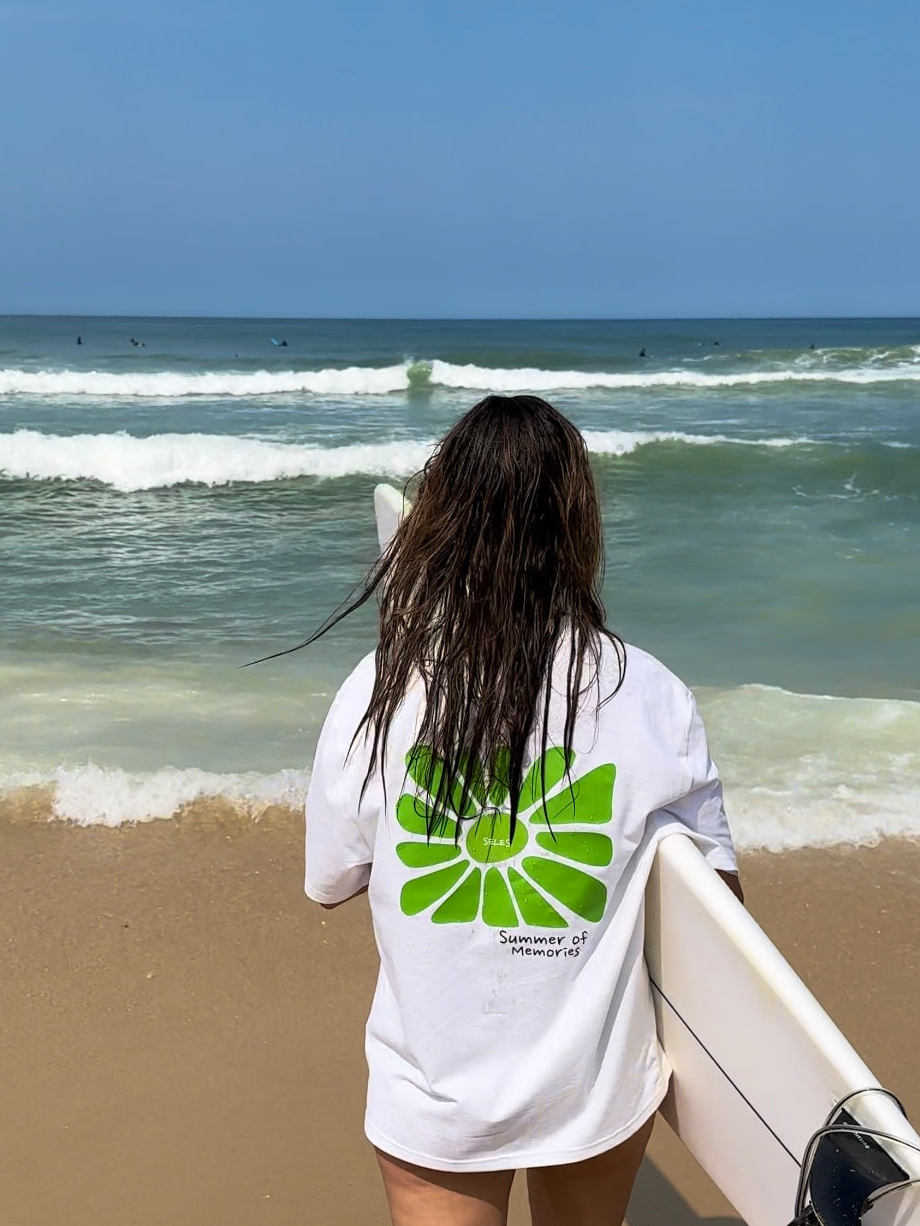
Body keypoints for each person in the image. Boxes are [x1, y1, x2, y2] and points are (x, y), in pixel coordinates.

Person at [303, 395, 739, 1226]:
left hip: (435, 1084)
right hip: (593, 1083)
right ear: (578, 525)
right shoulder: (648, 691)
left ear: (441, 516)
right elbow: (715, 908)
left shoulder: (380, 689)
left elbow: (331, 880)